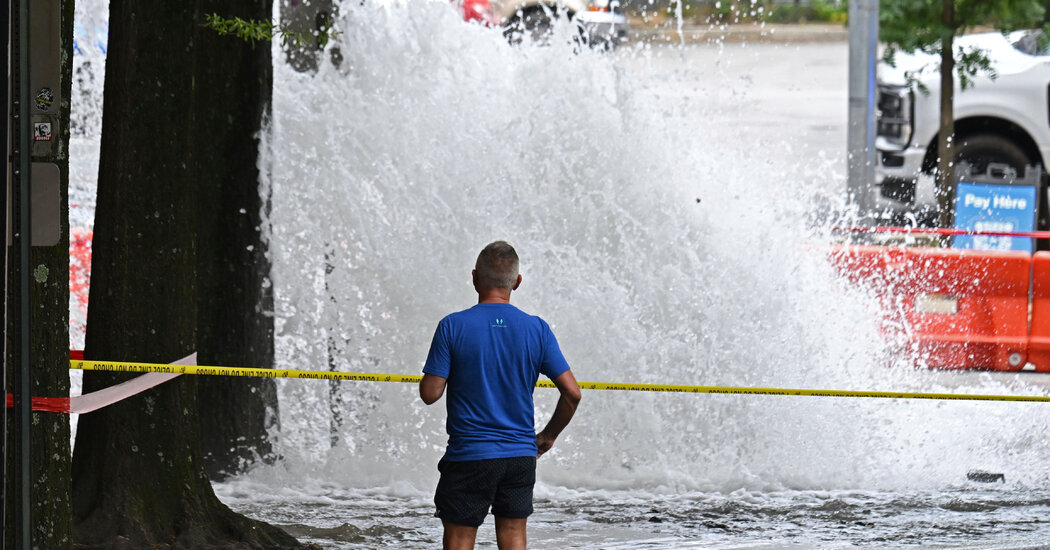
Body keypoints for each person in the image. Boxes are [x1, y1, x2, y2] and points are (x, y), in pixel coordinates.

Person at [420, 241, 582, 550]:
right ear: (517, 282)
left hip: (470, 455)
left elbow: (430, 394)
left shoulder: (452, 326)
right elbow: (572, 394)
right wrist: (548, 436)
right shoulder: (537, 329)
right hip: (520, 456)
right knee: (513, 536)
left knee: (460, 540)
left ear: (474, 277)